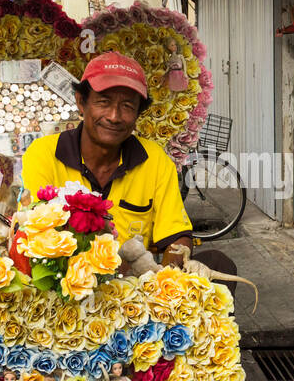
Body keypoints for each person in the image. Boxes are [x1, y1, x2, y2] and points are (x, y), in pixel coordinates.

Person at [21, 52, 192, 263]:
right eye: (103, 102)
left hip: (136, 286)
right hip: (68, 285)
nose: (114, 116)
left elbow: (176, 236)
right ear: (81, 102)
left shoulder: (154, 159)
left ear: (138, 113)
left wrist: (168, 283)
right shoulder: (44, 154)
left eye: (128, 106)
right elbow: (36, 233)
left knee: (218, 261)